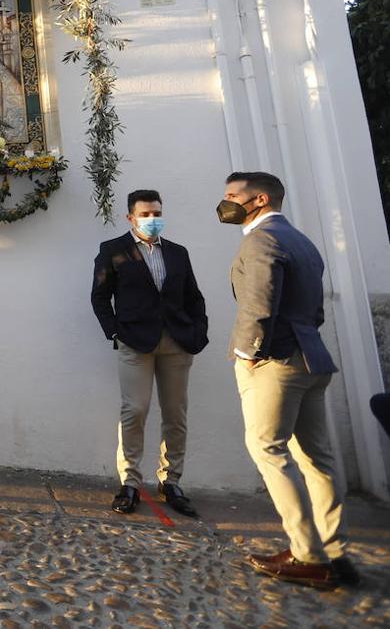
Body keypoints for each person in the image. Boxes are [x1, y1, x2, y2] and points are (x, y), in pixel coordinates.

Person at [220, 171, 358, 590]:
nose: (225, 203)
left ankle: (308, 555)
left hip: (276, 362)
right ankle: (335, 551)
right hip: (311, 359)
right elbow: (312, 308)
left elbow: (259, 305)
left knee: (269, 449)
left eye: (232, 196)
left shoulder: (262, 240)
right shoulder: (302, 240)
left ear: (259, 199)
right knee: (318, 460)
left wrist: (247, 354)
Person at [91, 189, 208, 518]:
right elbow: (100, 296)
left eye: (156, 213)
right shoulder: (113, 251)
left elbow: (193, 296)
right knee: (135, 410)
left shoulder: (177, 253)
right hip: (135, 341)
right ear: (131, 217)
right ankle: (129, 483)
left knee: (175, 414)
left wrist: (198, 331)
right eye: (145, 214)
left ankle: (171, 481)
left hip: (176, 342)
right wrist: (113, 331)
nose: (152, 219)